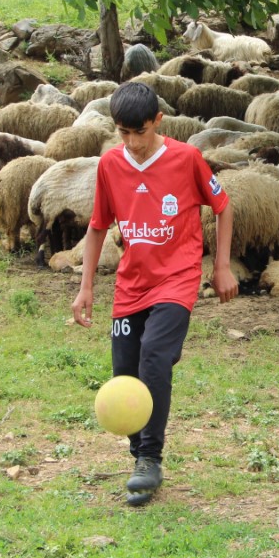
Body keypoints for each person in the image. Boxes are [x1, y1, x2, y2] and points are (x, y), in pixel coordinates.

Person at [72, 81, 238, 507]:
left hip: (177, 279)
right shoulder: (110, 164)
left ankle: (149, 459)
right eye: (123, 133)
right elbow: (97, 227)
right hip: (131, 284)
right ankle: (137, 455)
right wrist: (86, 286)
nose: (132, 143)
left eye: (139, 133)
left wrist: (219, 267)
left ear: (157, 121)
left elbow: (223, 207)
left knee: (153, 357)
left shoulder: (187, 159)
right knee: (125, 374)